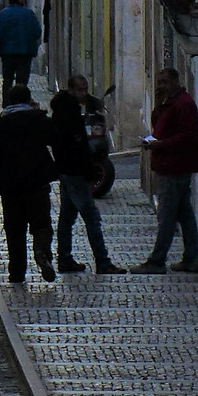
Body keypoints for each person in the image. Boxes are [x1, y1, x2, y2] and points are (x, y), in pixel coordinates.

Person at [0, 84, 59, 283]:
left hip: (10, 189)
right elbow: (58, 142)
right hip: (37, 186)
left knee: (15, 231)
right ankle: (41, 252)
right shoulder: (39, 122)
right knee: (42, 226)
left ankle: (16, 273)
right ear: (29, 100)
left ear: (9, 102)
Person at [132, 67, 198, 274]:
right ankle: (191, 257)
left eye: (164, 82)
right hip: (169, 164)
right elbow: (159, 126)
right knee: (185, 214)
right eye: (159, 82)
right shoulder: (169, 103)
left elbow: (187, 136)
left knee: (167, 216)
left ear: (175, 82)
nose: (160, 86)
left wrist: (160, 145)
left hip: (174, 167)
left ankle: (157, 261)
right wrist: (158, 104)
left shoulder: (184, 105)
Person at [49, 76, 125, 275]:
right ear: (71, 90)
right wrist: (86, 168)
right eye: (80, 90)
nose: (83, 94)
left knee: (67, 216)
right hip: (74, 172)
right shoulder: (67, 112)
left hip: (67, 170)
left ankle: (64, 258)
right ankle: (102, 261)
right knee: (91, 216)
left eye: (85, 89)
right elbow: (75, 144)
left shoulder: (68, 108)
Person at [0, 0, 42, 101]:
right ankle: (20, 102)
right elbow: (37, 31)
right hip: (24, 53)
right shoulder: (28, 13)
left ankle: (7, 103)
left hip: (7, 53)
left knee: (7, 80)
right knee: (22, 81)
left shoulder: (4, 14)